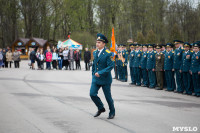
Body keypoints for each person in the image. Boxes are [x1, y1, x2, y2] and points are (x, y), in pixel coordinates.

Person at [90, 33, 115, 119]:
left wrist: (100, 72)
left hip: (105, 79)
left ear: (104, 44)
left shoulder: (108, 53)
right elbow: (94, 64)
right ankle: (101, 108)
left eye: (99, 42)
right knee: (92, 94)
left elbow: (111, 66)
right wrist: (93, 73)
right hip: (96, 79)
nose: (97, 44)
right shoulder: (95, 52)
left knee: (108, 97)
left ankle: (112, 112)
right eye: (97, 42)